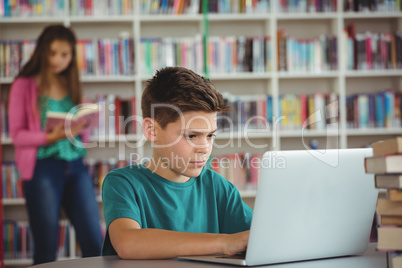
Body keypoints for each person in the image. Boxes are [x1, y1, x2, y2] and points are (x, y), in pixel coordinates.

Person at [102, 67, 253, 259]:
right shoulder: (123, 183)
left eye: (210, 136)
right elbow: (128, 242)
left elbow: (263, 237)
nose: (205, 148)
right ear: (152, 130)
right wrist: (224, 242)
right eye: (192, 136)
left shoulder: (219, 188)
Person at [8, 24, 103, 265]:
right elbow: (17, 135)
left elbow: (82, 137)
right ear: (42, 51)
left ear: (72, 56)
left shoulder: (71, 84)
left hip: (76, 165)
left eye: (64, 54)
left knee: (95, 242)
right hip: (42, 167)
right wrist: (50, 137)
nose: (57, 60)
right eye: (52, 53)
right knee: (46, 249)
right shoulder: (24, 85)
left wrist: (84, 125)